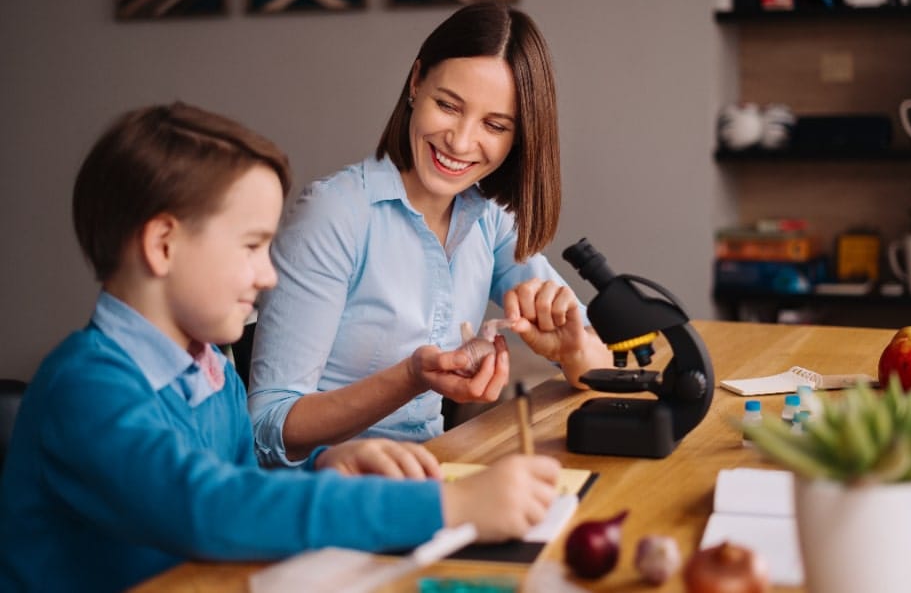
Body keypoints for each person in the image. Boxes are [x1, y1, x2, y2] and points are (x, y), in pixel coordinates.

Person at [0, 102, 561, 592]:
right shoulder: (85, 387)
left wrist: (327, 465)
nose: (269, 276)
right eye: (252, 246)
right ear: (163, 244)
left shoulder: (210, 369)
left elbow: (249, 483)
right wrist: (450, 508)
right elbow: (210, 508)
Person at [249, 1, 612, 467]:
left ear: (519, 137)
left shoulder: (489, 218)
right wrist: (414, 377)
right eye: (448, 105)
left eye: (494, 125)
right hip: (330, 493)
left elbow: (603, 368)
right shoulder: (335, 214)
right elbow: (268, 429)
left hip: (433, 473)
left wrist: (573, 348)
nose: (460, 142)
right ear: (416, 82)